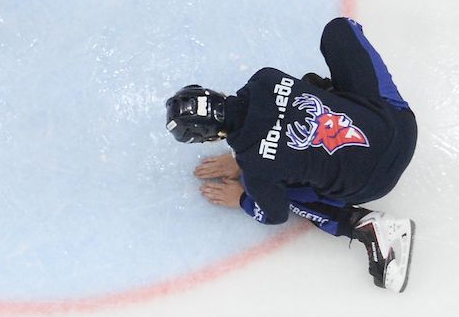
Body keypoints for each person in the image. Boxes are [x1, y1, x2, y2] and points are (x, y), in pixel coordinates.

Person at [165, 17, 417, 292]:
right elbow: (277, 123)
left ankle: (361, 224)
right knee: (335, 37)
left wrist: (243, 198)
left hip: (372, 183)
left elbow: (274, 215)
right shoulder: (265, 77)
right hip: (398, 126)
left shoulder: (256, 171)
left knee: (283, 187)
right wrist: (245, 158)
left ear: (210, 137)